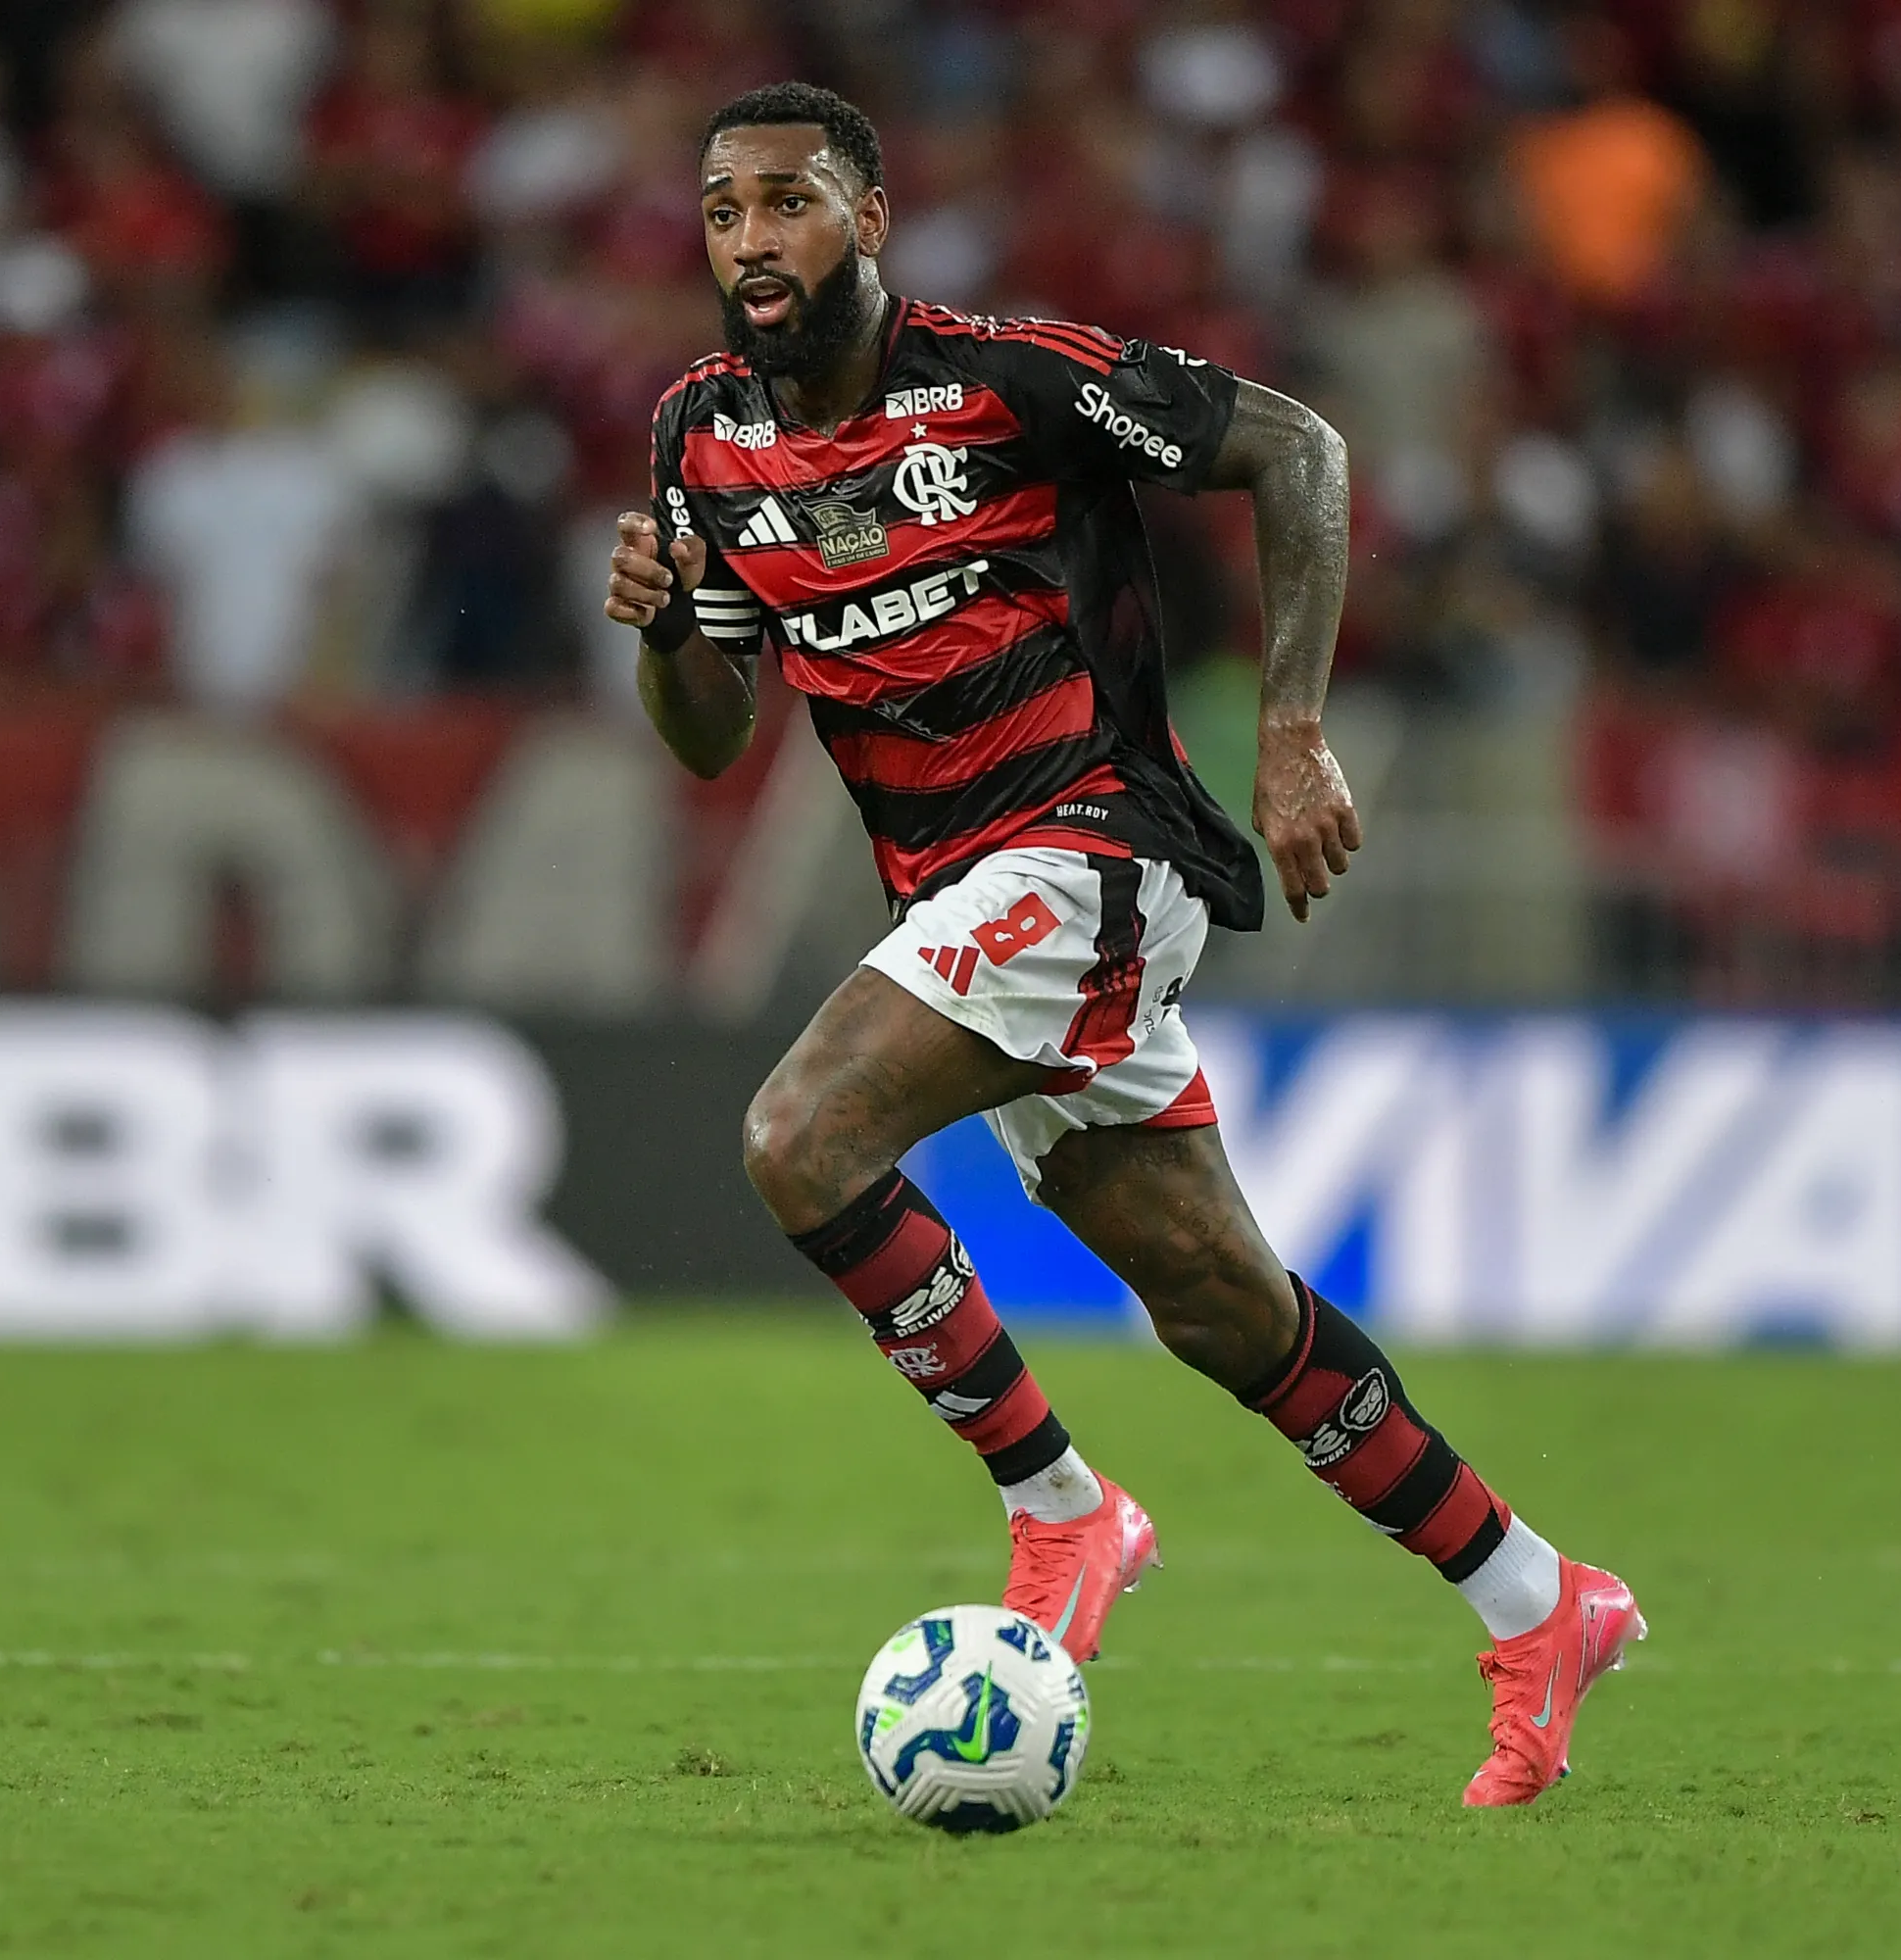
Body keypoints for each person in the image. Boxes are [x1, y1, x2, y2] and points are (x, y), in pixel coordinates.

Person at [604, 81, 1642, 1808]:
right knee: (1221, 1305)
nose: (750, 240)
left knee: (799, 1135)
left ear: (867, 218)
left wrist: (1294, 728)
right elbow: (711, 734)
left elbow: (1296, 448)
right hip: (959, 903)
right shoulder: (700, 438)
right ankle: (1542, 1602)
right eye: (722, 212)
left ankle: (1061, 1513)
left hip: (1095, 847)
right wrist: (659, 631)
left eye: (786, 203)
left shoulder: (1010, 382)